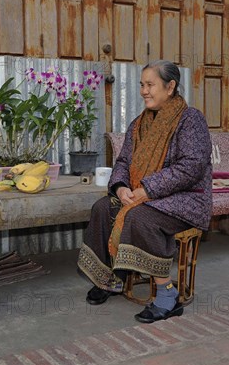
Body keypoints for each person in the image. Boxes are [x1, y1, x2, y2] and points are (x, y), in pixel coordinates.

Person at [77, 60, 212, 323]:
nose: (144, 91)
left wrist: (147, 190)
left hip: (186, 199)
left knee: (140, 218)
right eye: (142, 85)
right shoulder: (139, 123)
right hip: (144, 194)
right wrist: (121, 187)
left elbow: (191, 168)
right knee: (103, 208)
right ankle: (110, 279)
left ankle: (167, 295)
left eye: (150, 85)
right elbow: (124, 161)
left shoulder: (190, 120)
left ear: (170, 86)